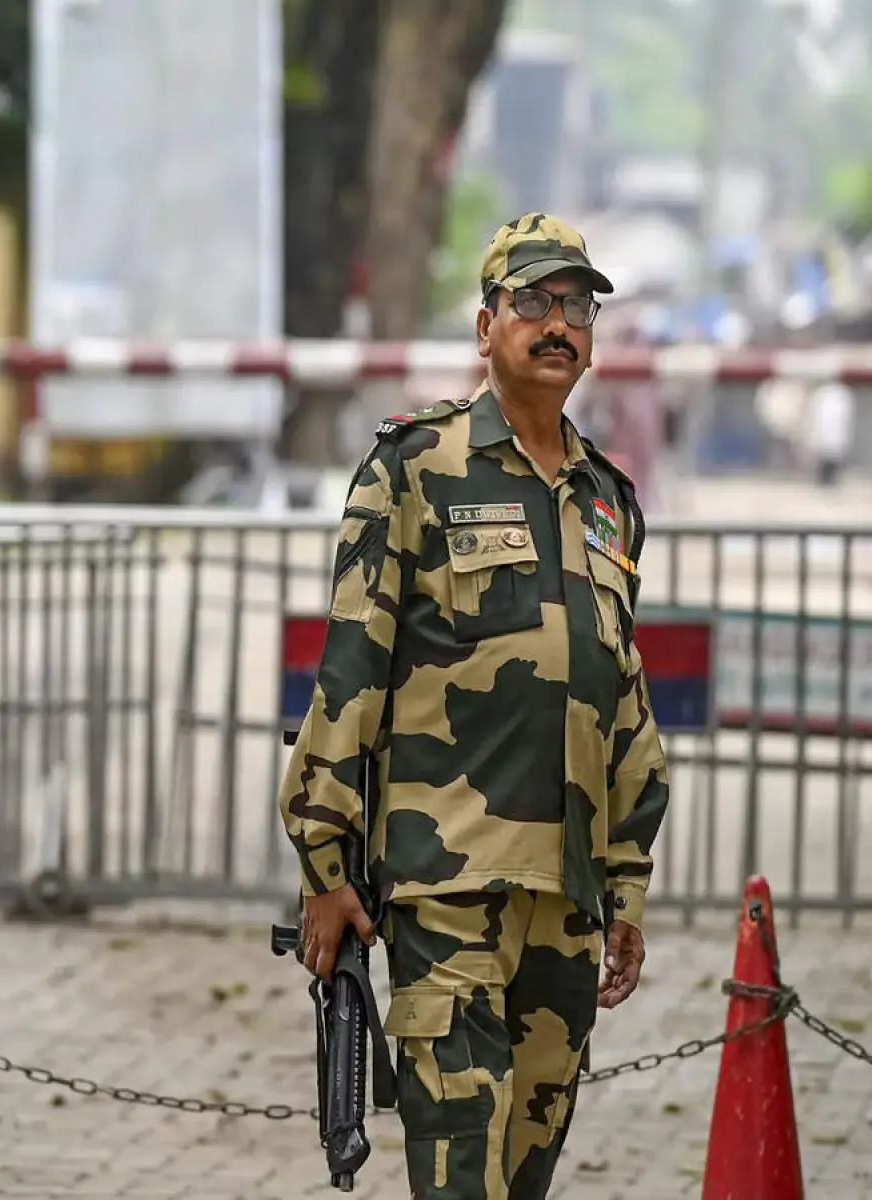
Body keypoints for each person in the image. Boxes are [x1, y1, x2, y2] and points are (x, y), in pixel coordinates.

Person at [279, 213, 670, 1199]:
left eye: (576, 306)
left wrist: (625, 886)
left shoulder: (608, 501)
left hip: (566, 905)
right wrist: (324, 864)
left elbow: (621, 703)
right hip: (446, 892)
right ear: (486, 324)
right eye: (532, 302)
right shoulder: (413, 469)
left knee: (520, 1183)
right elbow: (347, 674)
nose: (557, 324)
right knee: (459, 1179)